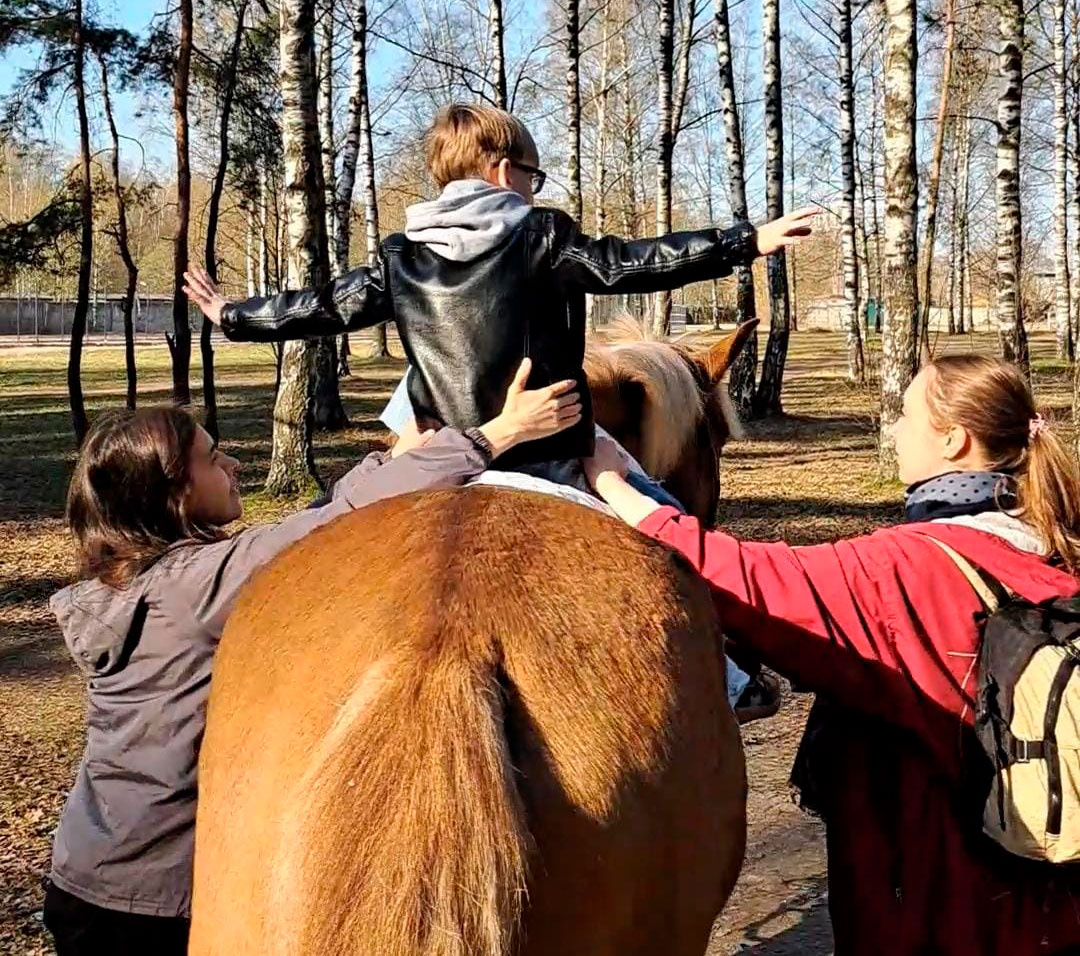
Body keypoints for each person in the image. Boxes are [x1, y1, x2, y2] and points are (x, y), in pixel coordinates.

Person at [42, 361, 579, 955]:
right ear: (178, 488)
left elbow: (305, 525)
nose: (233, 465)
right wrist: (494, 436)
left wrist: (391, 459)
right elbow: (327, 528)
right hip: (157, 897)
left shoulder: (131, 582)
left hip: (91, 871)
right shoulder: (193, 589)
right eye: (214, 458)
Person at [584, 354, 1080, 956]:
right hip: (1049, 885)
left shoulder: (908, 569)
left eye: (905, 414)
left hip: (945, 902)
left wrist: (616, 482)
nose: (894, 429)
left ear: (953, 441)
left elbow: (750, 582)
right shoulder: (1052, 540)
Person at [183, 103, 814, 484]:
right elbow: (631, 265)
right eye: (532, 175)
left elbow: (322, 306)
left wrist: (233, 315)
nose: (536, 189)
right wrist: (743, 242)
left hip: (442, 455)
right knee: (665, 520)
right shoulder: (541, 236)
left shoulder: (402, 255)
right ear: (502, 170)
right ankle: (731, 676)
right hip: (546, 451)